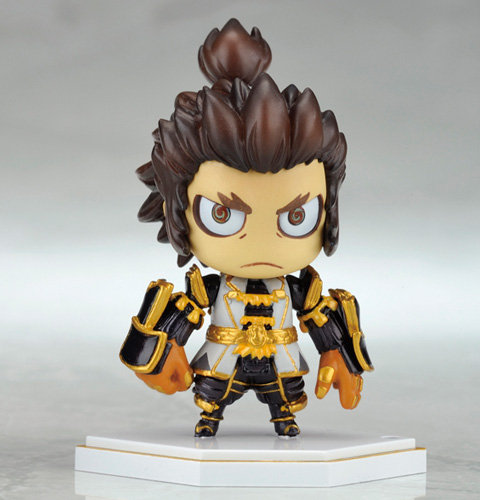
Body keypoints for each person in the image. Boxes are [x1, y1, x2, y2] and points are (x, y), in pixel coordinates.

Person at [120, 19, 373, 438]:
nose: (262, 241)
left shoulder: (298, 289)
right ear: (177, 213)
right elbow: (178, 315)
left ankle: (284, 421)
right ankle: (210, 420)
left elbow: (323, 317)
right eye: (222, 216)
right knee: (212, 399)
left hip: (281, 362)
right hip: (222, 361)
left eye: (296, 217)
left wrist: (341, 354)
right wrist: (157, 353)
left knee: (285, 402)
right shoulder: (209, 289)